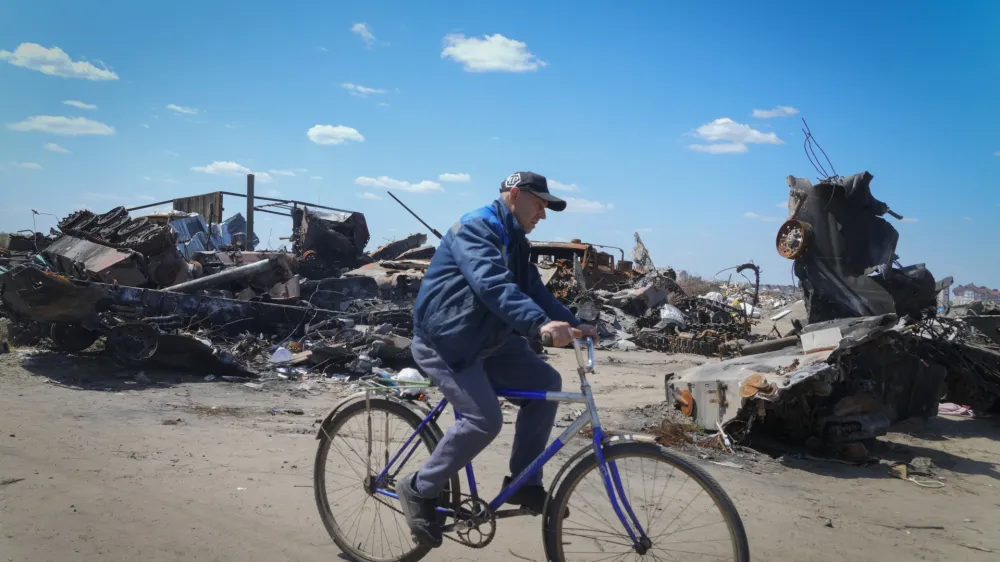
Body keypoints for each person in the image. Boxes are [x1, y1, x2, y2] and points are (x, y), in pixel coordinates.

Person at [397, 171, 598, 547]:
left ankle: (524, 482)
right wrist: (540, 325)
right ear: (515, 195)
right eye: (539, 204)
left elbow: (534, 290)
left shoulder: (517, 241)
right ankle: (419, 486)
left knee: (546, 385)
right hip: (448, 339)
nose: (543, 213)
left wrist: (575, 324)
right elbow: (491, 284)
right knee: (483, 420)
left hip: (489, 340)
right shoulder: (478, 228)